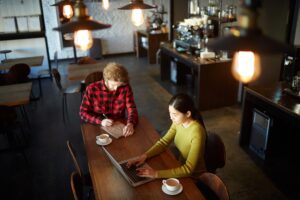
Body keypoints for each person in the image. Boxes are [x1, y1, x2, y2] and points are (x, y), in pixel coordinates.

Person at [127, 93, 207, 179]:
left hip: (194, 178)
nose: (171, 117)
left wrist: (156, 174)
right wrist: (144, 156)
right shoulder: (178, 122)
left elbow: (188, 169)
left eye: (174, 114)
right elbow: (164, 142)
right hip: (179, 167)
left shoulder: (197, 132)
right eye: (170, 113)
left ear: (188, 114)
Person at [79, 62, 138, 137]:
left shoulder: (125, 87)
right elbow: (83, 113)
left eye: (119, 85)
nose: (116, 89)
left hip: (119, 126)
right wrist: (101, 121)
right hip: (97, 127)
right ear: (106, 80)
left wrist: (130, 123)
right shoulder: (91, 89)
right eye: (113, 85)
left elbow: (132, 109)